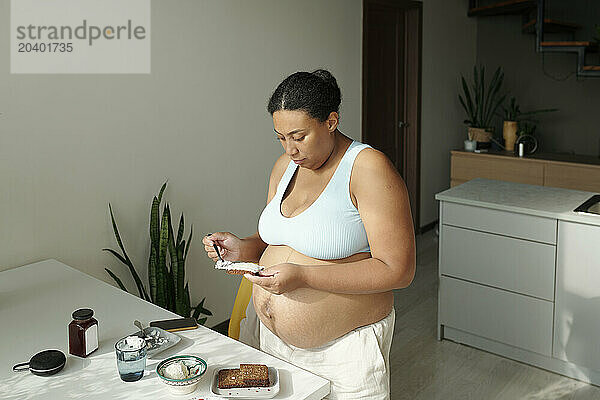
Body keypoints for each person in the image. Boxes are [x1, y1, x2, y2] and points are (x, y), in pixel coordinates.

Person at [202, 69, 415, 399]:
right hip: (268, 339)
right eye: (281, 138)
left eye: (299, 137)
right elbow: (280, 242)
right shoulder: (283, 167)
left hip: (341, 354)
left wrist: (304, 277)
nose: (290, 149)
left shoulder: (368, 168)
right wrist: (241, 248)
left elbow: (398, 270)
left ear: (330, 121)